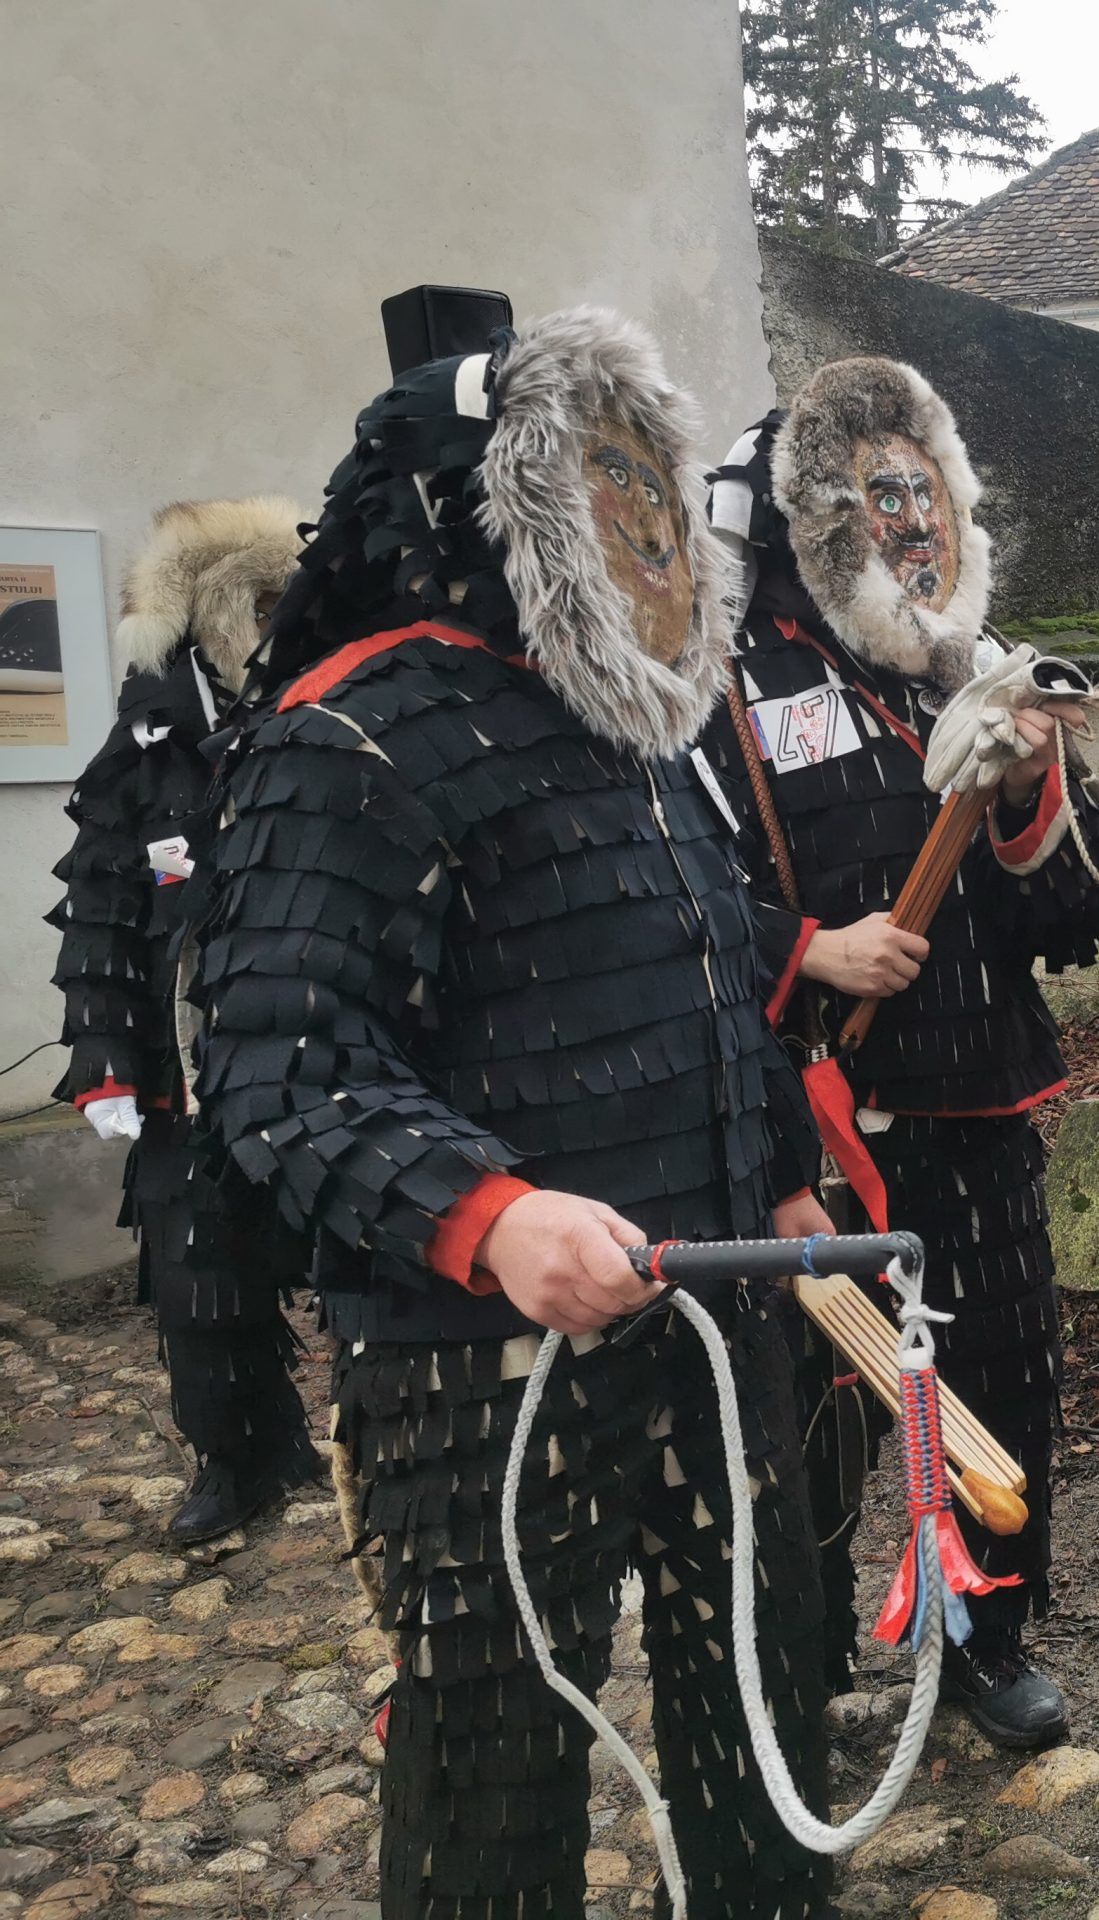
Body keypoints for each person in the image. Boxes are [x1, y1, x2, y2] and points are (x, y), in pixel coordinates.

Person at [188, 307, 838, 1919]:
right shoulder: (348, 731)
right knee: (495, 1747)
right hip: (476, 1366)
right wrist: (489, 1216)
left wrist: (786, 1176)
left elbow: (713, 981)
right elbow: (278, 1067)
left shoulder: (637, 726)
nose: (647, 528)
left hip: (714, 1306)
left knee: (763, 1678)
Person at [696, 356, 1099, 1748]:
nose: (908, 519)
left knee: (1001, 1380)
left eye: (920, 489)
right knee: (817, 1407)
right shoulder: (723, 683)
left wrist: (1029, 790)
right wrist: (804, 950)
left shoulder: (986, 674)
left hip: (978, 1101)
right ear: (812, 520)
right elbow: (669, 897)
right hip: (808, 1122)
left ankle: (985, 1636)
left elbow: (1084, 912)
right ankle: (804, 1657)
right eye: (874, 496)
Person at [48, 496, 326, 1544]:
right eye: (255, 601)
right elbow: (103, 902)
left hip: (328, 1045)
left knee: (373, 1258)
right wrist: (103, 1057)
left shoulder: (334, 710)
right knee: (199, 1275)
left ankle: (401, 1446)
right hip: (189, 1059)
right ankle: (241, 1456)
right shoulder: (149, 741)